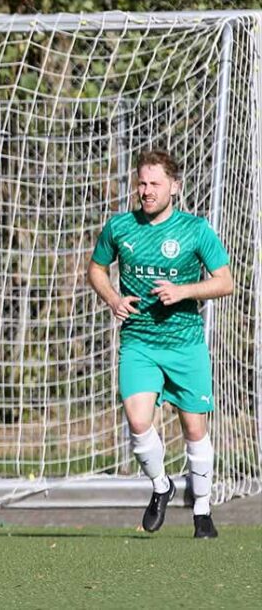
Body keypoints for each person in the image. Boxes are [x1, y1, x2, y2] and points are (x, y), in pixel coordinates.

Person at [87, 149, 233, 539]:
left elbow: (225, 281)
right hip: (139, 341)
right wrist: (113, 299)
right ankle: (161, 486)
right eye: (142, 183)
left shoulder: (196, 230)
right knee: (138, 421)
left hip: (185, 344)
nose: (146, 191)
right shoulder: (120, 227)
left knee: (193, 429)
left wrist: (184, 290)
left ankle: (202, 510)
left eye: (154, 183)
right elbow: (96, 269)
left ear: (174, 186)